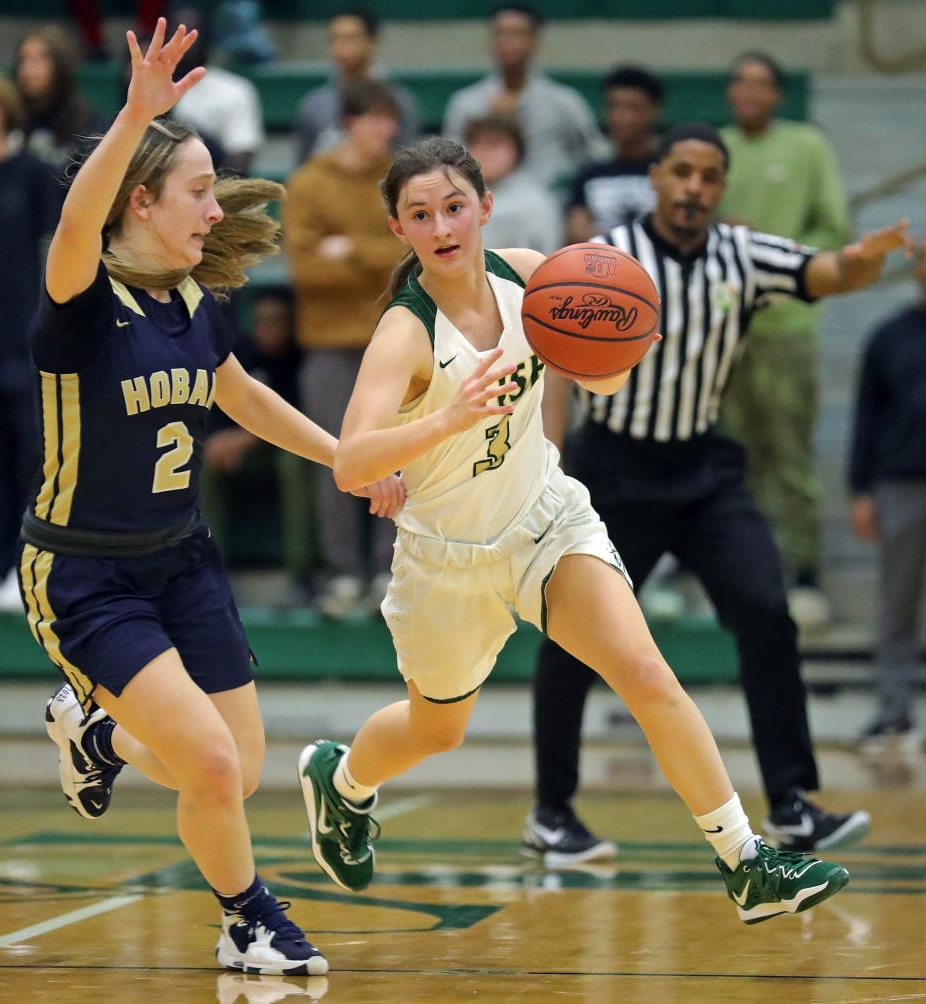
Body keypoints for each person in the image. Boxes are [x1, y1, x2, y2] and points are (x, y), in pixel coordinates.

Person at [296, 134, 854, 928]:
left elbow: (596, 371)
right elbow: (353, 460)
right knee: (437, 728)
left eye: (455, 205)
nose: (442, 223)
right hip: (448, 560)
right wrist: (447, 418)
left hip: (546, 520)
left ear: (484, 207)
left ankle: (746, 861)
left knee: (646, 673)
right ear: (399, 229)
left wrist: (623, 353)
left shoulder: (530, 274)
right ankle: (343, 781)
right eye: (420, 214)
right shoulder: (405, 333)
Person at [23, 20, 402, 975]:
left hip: (181, 558)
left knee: (238, 764)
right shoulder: (80, 299)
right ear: (138, 202)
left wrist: (342, 457)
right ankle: (250, 920)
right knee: (210, 765)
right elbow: (75, 221)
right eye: (197, 193)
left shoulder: (193, 299)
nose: (214, 210)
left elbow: (241, 395)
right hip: (86, 573)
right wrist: (134, 115)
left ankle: (97, 736)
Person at [526, 121, 907, 867]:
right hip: (614, 473)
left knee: (768, 611)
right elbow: (559, 364)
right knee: (574, 638)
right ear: (658, 177)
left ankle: (793, 804)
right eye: (682, 173)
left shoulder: (743, 252)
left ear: (720, 187)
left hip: (704, 471)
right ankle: (552, 812)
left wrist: (863, 262)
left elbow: (824, 273)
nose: (695, 188)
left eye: (709, 176)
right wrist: (551, 459)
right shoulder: (607, 262)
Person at [717, 52, 851, 633]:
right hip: (721, 330)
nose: (749, 92)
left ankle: (804, 572)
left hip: (787, 327)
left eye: (761, 83)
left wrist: (771, 249)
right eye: (739, 82)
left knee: (790, 454)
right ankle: (740, 574)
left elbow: (834, 229)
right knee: (731, 456)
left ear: (778, 94)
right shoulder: (713, 148)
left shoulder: (805, 146)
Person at [285, 79, 405, 618]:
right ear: (350, 122)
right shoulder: (310, 183)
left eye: (391, 120)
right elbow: (306, 269)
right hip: (330, 346)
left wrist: (350, 249)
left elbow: (415, 253)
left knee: (400, 460)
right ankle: (342, 575)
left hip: (398, 342)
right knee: (335, 460)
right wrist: (380, 256)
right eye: (376, 119)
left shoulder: (401, 180)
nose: (387, 131)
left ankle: (390, 569)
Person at [0, 72, 61, 616]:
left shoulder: (32, 176)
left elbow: (54, 257)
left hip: (22, 342)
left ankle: (30, 570)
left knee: (34, 458)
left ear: (3, 112)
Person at [848, 241, 926, 751]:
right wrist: (861, 490)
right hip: (901, 485)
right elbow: (866, 420)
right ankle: (895, 709)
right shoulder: (888, 338)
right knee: (897, 603)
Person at [200, 287, 318, 602]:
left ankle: (301, 574)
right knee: (203, 463)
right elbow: (220, 404)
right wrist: (222, 441)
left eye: (277, 321)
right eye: (262, 321)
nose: (270, 329)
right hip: (244, 448)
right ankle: (208, 573)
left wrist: (246, 439)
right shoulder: (240, 352)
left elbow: (304, 418)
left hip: (291, 447)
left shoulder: (304, 358)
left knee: (292, 466)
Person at [443, 4, 606, 189]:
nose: (506, 41)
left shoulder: (564, 102)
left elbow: (595, 154)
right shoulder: (466, 104)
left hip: (550, 206)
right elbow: (450, 165)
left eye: (516, 34)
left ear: (535, 41)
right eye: (499, 33)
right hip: (484, 205)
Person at [294, 8, 419, 167]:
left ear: (372, 42)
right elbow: (301, 166)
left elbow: (409, 164)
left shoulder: (399, 101)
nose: (342, 46)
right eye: (335, 39)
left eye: (351, 38)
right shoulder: (313, 104)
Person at [565, 64, 663, 245]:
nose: (621, 116)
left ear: (654, 111)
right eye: (614, 106)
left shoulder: (668, 170)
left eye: (632, 107)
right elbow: (576, 234)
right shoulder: (590, 173)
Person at [170, 4, 266, 176]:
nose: (183, 43)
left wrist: (202, 195)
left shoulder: (235, 90)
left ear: (207, 37)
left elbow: (241, 160)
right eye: (175, 34)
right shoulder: (144, 91)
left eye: (191, 34)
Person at [13, 25, 110, 186]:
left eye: (40, 59)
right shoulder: (9, 121)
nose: (27, 69)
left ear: (61, 65)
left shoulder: (90, 125)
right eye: (23, 60)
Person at [463, 113, 562, 254]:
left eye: (494, 143)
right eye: (476, 143)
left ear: (516, 152)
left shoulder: (534, 201)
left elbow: (540, 262)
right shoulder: (457, 194)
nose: (483, 151)